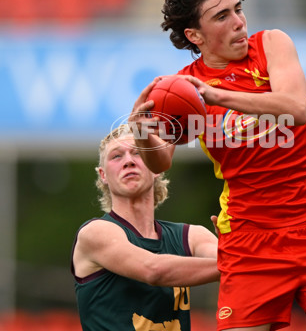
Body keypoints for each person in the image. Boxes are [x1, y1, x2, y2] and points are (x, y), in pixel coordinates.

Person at [130, 0, 306, 331]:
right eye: (222, 16)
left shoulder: (272, 45)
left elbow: (294, 107)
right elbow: (161, 162)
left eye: (238, 9)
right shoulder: (184, 89)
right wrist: (142, 133)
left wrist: (217, 95)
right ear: (195, 34)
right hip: (249, 242)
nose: (239, 22)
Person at [71, 124, 219, 331]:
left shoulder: (192, 236)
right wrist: (235, 258)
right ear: (103, 175)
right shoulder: (95, 233)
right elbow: (154, 270)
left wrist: (238, 244)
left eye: (138, 153)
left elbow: (242, 265)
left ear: (156, 166)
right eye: (116, 156)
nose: (128, 161)